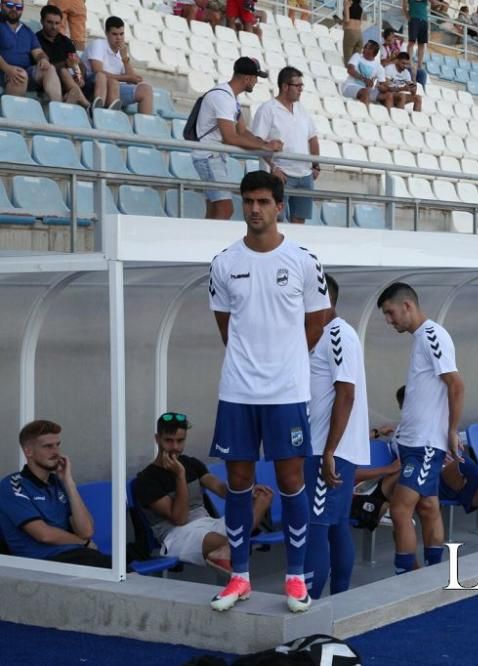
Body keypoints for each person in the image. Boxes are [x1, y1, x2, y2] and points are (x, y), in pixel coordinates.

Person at [207, 170, 329, 613]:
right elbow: (226, 325)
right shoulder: (223, 262)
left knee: (290, 480)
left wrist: (286, 361)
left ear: (279, 206)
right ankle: (239, 577)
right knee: (239, 482)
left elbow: (316, 321)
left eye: (263, 201)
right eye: (248, 201)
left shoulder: (303, 260)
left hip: (287, 392)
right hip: (238, 391)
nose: (255, 209)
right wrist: (251, 361)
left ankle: (294, 578)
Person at [352, 385, 478, 547]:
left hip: (454, 479)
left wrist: (452, 440)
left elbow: (449, 443)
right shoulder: (404, 432)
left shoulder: (433, 426)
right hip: (431, 483)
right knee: (462, 461)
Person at [377, 283, 464, 575]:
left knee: (400, 509)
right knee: (427, 507)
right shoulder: (421, 339)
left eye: (390, 313)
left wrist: (452, 431)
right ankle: (433, 573)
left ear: (407, 306)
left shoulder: (432, 335)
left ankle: (407, 575)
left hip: (426, 444)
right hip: (413, 442)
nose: (389, 321)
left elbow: (456, 384)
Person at [133, 412, 273, 573]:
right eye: (169, 441)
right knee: (234, 544)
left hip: (208, 523)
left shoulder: (192, 463)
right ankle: (228, 552)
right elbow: (180, 518)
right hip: (178, 535)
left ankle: (227, 551)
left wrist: (248, 491)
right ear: (157, 439)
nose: (175, 447)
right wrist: (180, 476)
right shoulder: (146, 479)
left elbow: (221, 489)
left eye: (180, 441)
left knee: (263, 498)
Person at [303, 275, 371, 598]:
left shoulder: (338, 334)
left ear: (325, 299)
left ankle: (310, 603)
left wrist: (329, 450)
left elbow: (346, 393)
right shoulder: (323, 334)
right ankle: (341, 599)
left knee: (317, 525)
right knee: (336, 525)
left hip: (327, 449)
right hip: (329, 447)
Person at [0, 420, 110, 568]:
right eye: (48, 446)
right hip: (42, 563)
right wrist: (83, 543)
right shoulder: (13, 485)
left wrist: (69, 483)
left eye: (58, 445)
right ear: (28, 451)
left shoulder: (58, 483)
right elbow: (44, 535)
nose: (56, 452)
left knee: (125, 572)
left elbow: (86, 531)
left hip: (75, 556)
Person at [191, 57, 281, 221]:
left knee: (214, 208)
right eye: (255, 78)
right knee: (225, 208)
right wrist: (265, 148)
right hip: (209, 156)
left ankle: (206, 243)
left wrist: (265, 144)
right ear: (247, 78)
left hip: (213, 157)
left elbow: (242, 131)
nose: (256, 82)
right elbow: (231, 137)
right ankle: (214, 244)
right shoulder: (224, 98)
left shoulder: (230, 97)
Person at [250, 66, 320, 225]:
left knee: (299, 222)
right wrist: (273, 168)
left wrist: (316, 166)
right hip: (282, 175)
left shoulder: (302, 110)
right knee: (276, 221)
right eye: (298, 86)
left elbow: (313, 139)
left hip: (305, 175)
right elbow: (257, 142)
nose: (301, 89)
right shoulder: (268, 109)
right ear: (284, 86)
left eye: (302, 86)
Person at [82, 16, 154, 115]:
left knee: (146, 89)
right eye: (114, 34)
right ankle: (97, 112)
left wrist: (125, 59)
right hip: (92, 86)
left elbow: (132, 80)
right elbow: (97, 70)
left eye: (121, 34)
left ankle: (145, 126)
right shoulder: (98, 44)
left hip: (114, 87)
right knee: (105, 78)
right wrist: (125, 78)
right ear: (107, 33)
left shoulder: (122, 51)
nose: (119, 37)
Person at [0, 0, 62, 102]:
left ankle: (57, 108)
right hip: (3, 71)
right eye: (10, 5)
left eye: (19, 7)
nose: (14, 9)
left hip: (25, 73)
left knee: (49, 68)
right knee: (20, 75)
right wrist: (7, 69)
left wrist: (42, 59)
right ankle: (14, 114)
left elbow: (38, 52)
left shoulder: (27, 31)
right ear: (2, 5)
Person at [35, 5, 90, 109]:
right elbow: (43, 67)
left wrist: (79, 76)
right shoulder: (35, 40)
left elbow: (76, 62)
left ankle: (71, 96)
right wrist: (65, 64)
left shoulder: (66, 41)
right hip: (48, 81)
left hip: (68, 81)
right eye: (50, 22)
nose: (54, 27)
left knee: (71, 70)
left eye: (57, 23)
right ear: (42, 21)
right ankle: (86, 104)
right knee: (63, 71)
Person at [343, 40, 392, 107]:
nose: (364, 48)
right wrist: (364, 80)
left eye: (367, 47)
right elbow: (350, 70)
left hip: (367, 90)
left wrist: (381, 87)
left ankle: (388, 116)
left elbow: (383, 85)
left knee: (388, 95)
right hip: (350, 86)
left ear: (373, 52)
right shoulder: (357, 56)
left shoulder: (379, 67)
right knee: (366, 92)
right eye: (365, 46)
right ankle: (365, 113)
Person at [402, 0, 429, 75]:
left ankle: (420, 64)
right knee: (411, 42)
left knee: (422, 44)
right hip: (414, 19)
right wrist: (408, 18)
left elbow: (434, 2)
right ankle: (410, 61)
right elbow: (404, 7)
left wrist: (441, 3)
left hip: (424, 20)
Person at [342, 0, 363, 65]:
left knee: (348, 62)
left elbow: (347, 20)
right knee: (355, 63)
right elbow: (361, 22)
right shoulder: (360, 6)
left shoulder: (347, 2)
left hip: (350, 32)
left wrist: (340, 21)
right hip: (359, 34)